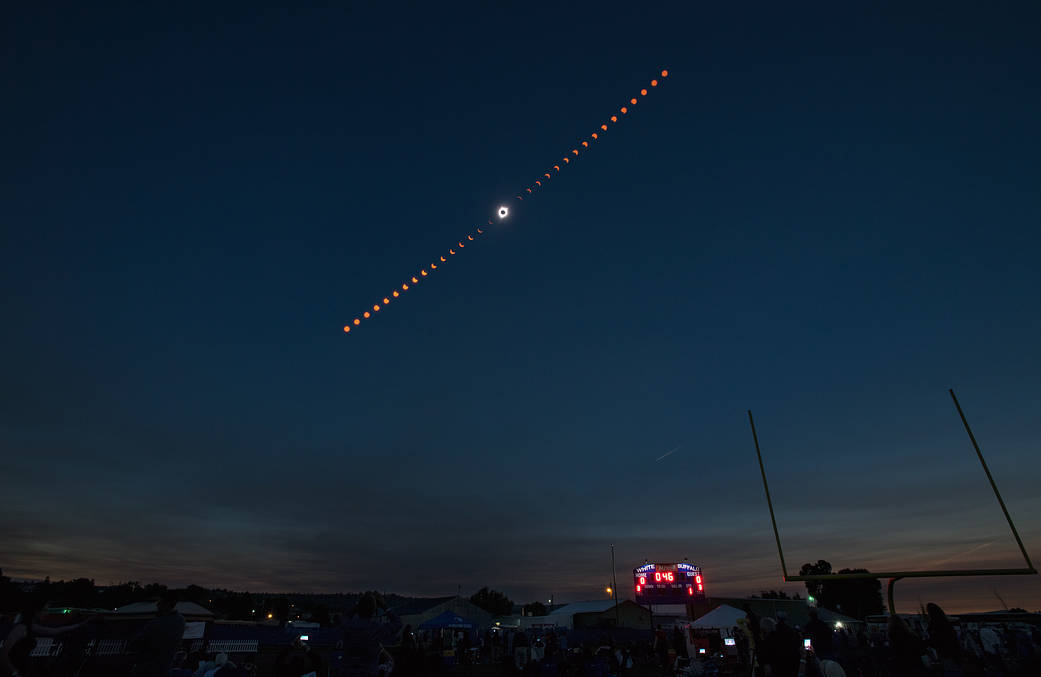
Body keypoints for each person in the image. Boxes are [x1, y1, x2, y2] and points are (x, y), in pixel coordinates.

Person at [0, 597, 92, 677]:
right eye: (45, 610)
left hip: (21, 670)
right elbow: (3, 654)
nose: (47, 613)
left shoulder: (31, 627)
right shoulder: (21, 628)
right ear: (36, 611)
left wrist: (80, 624)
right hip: (12, 671)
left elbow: (56, 630)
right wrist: (15, 673)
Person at [340, 593, 402, 677]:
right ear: (374, 610)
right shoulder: (376, 628)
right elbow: (397, 623)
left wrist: (357, 606)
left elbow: (344, 617)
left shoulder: (348, 626)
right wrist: (384, 606)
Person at [128, 589, 186, 677]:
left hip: (147, 669)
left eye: (160, 602)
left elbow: (134, 644)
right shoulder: (181, 621)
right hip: (166, 669)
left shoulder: (155, 624)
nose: (157, 604)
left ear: (166, 604)